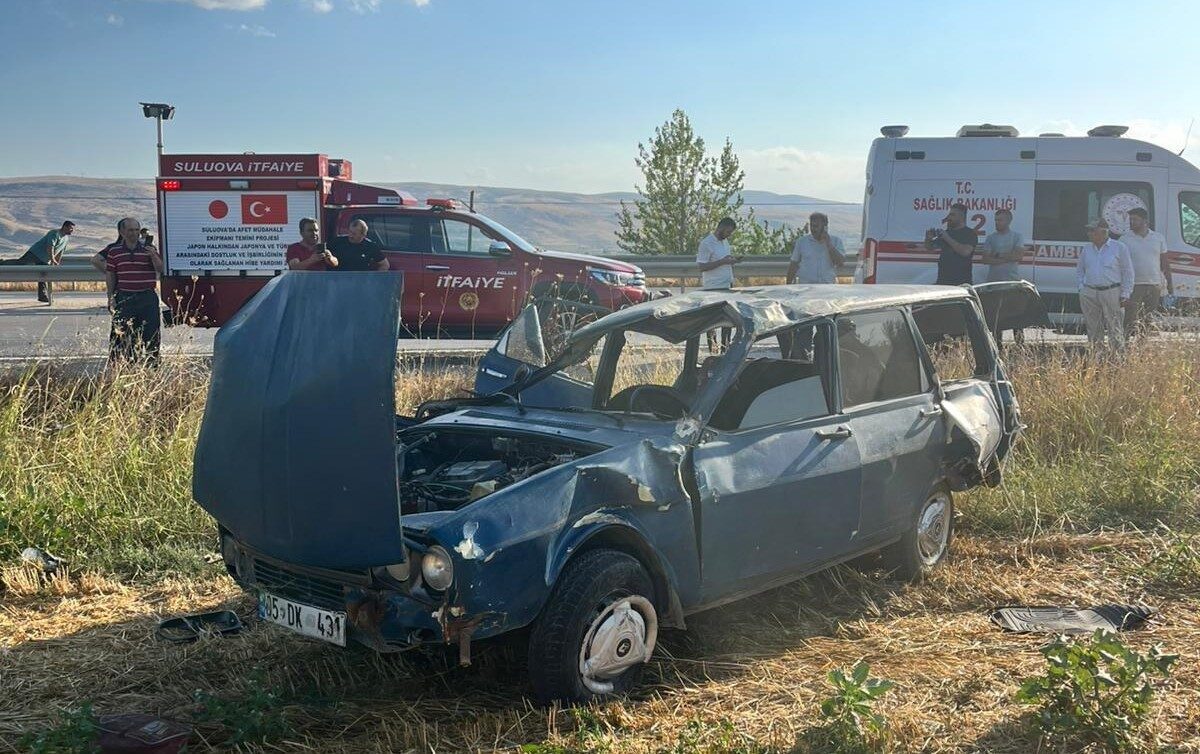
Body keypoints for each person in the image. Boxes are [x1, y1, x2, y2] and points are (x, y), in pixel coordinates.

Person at [105, 217, 164, 365]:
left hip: (147, 297)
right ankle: (121, 366)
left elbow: (160, 269)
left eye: (137, 230)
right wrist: (111, 297)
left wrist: (153, 255)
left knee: (151, 335)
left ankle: (152, 366)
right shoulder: (114, 251)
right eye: (130, 230)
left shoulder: (149, 249)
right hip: (125, 297)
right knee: (120, 336)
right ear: (122, 232)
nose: (134, 233)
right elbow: (111, 274)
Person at [1076, 219, 1133, 353]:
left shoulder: (1119, 247)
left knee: (1115, 326)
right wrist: (1081, 287)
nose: (1089, 234)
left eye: (1092, 231)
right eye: (1089, 231)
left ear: (1103, 232)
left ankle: (1117, 357)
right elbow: (1080, 270)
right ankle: (1097, 355)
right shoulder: (1087, 248)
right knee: (1093, 327)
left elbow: (1128, 272)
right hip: (1089, 292)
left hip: (1112, 291)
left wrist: (1125, 294)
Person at [979, 208, 1030, 347]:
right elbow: (985, 259)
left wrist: (997, 255)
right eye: (996, 220)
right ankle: (997, 347)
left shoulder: (1017, 237)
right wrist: (1008, 257)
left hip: (1012, 283)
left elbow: (1018, 256)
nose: (997, 223)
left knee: (1016, 317)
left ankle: (1020, 347)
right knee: (997, 318)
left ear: (1008, 221)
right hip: (994, 283)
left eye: (1000, 220)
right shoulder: (991, 238)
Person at [1120, 207, 1173, 338]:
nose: (1132, 222)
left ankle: (1142, 348)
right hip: (1133, 285)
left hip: (1154, 285)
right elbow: (1119, 264)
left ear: (1145, 221)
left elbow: (1164, 263)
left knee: (1148, 319)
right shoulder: (1124, 239)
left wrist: (1170, 284)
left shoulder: (1158, 238)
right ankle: (1124, 346)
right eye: (1130, 219)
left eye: (1135, 219)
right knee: (1130, 318)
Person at [0, 220, 74, 304]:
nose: (72, 230)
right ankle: (1, 263)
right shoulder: (54, 233)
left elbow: (60, 252)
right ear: (65, 227)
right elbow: (50, 247)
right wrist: (53, 259)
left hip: (45, 259)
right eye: (71, 228)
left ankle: (42, 296)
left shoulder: (66, 239)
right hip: (35, 254)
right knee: (20, 264)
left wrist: (56, 262)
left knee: (43, 276)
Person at [696, 217, 738, 351]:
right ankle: (712, 349)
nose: (728, 235)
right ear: (720, 228)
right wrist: (722, 262)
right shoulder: (707, 243)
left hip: (727, 285)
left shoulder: (725, 242)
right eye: (727, 232)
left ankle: (725, 347)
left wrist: (731, 262)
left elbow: (725, 260)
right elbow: (702, 266)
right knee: (713, 321)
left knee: (728, 319)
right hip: (713, 287)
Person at [925, 203, 977, 285]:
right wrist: (928, 238)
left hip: (961, 283)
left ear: (961, 217)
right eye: (949, 214)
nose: (949, 217)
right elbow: (930, 247)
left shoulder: (970, 233)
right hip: (943, 281)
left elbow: (965, 252)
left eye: (952, 215)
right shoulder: (947, 232)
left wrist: (947, 238)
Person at [787, 212, 845, 284]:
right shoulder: (802, 242)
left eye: (816, 226)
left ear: (825, 227)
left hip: (827, 286)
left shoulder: (836, 241)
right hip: (806, 286)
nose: (813, 229)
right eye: (811, 226)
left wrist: (829, 244)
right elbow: (793, 264)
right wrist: (788, 284)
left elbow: (840, 263)